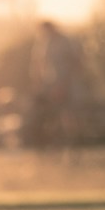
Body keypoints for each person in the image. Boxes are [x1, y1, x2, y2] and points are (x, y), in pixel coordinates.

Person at [28, 19, 84, 151]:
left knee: (68, 116)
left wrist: (63, 85)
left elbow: (74, 64)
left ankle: (73, 145)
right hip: (48, 86)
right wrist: (38, 83)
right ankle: (52, 145)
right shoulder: (42, 43)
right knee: (49, 117)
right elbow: (38, 65)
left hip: (66, 86)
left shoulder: (64, 42)